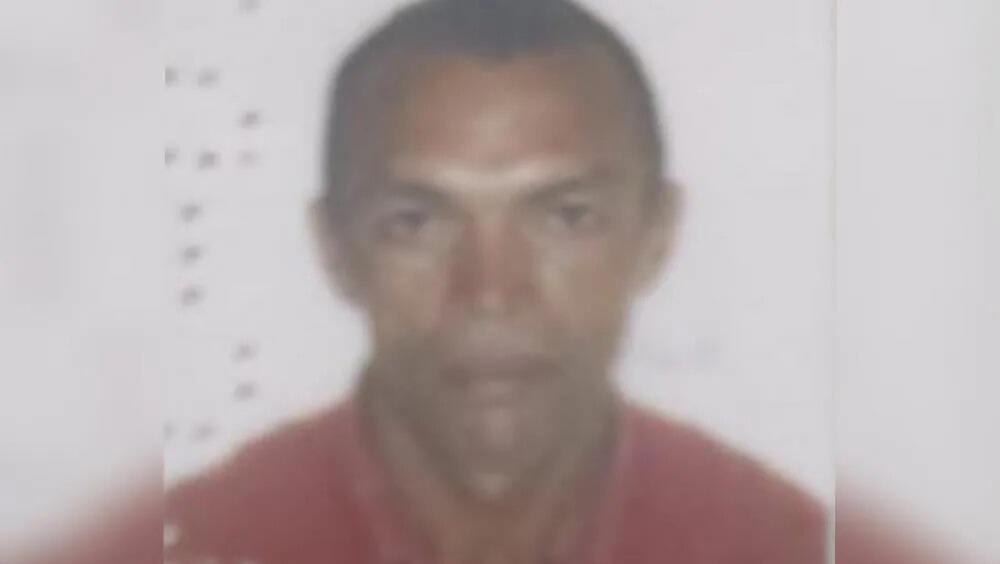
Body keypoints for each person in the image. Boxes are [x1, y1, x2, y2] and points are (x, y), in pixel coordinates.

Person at [165, 1, 827, 563]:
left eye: (568, 217)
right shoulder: (196, 541)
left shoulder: (787, 545)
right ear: (335, 251)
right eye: (414, 222)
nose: (490, 293)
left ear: (656, 235)